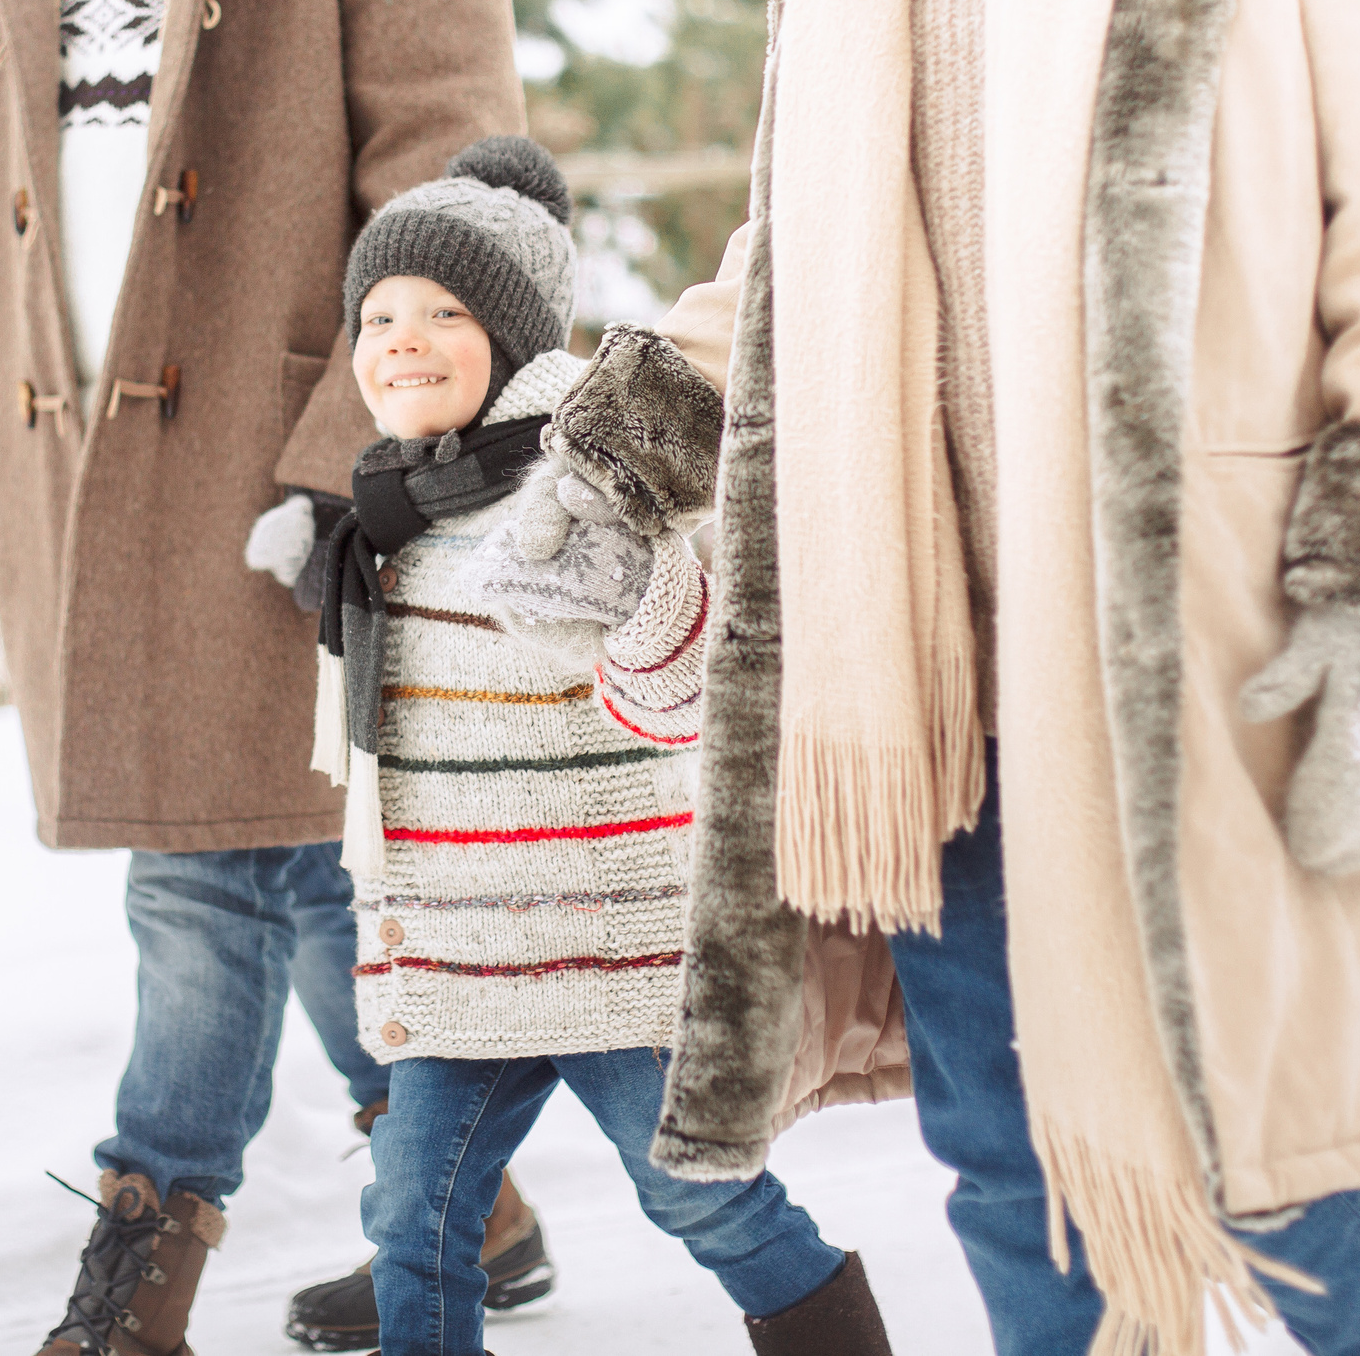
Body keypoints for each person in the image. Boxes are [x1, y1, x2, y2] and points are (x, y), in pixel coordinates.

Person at [483, 0, 1360, 1354]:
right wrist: (643, 437)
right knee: (1007, 1162)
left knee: (1263, 1161)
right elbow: (829, 231)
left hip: (1196, 630)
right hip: (930, 647)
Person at [0, 0, 552, 1350]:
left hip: (288, 463)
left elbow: (451, 186)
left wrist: (349, 470)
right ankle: (465, 1202)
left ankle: (148, 1246)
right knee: (289, 864)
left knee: (203, 875)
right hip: (87, 481)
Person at [241, 136, 893, 1356]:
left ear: (522, 337)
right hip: (455, 963)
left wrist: (634, 583)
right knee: (412, 1213)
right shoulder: (383, 513)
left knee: (694, 1190)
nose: (403, 338)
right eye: (376, 316)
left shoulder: (579, 488)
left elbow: (686, 688)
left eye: (444, 311)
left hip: (601, 949)